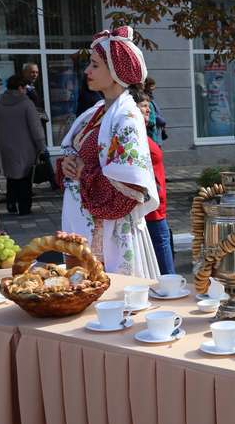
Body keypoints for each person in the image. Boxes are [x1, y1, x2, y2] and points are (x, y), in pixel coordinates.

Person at [57, 27, 160, 278]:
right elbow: (78, 154)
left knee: (112, 297)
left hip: (110, 233)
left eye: (94, 65)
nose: (87, 71)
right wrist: (69, 164)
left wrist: (85, 173)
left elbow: (130, 185)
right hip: (87, 223)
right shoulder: (97, 112)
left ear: (115, 72)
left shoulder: (126, 116)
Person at [131, 86, 175, 275]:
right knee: (162, 251)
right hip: (150, 208)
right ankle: (170, 289)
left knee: (160, 249)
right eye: (143, 106)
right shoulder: (133, 135)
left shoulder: (143, 133)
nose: (148, 110)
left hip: (156, 206)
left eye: (148, 105)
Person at [0, 75, 46, 215]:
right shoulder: (26, 103)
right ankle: (24, 207)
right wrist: (41, 145)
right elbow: (35, 128)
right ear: (20, 88)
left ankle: (11, 203)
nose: (25, 90)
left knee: (12, 176)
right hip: (25, 146)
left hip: (6, 146)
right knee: (24, 177)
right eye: (24, 87)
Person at [143, 77, 169, 145]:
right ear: (147, 86)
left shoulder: (151, 98)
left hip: (156, 132)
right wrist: (162, 121)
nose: (154, 88)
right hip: (152, 134)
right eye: (152, 86)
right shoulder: (146, 99)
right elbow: (154, 115)